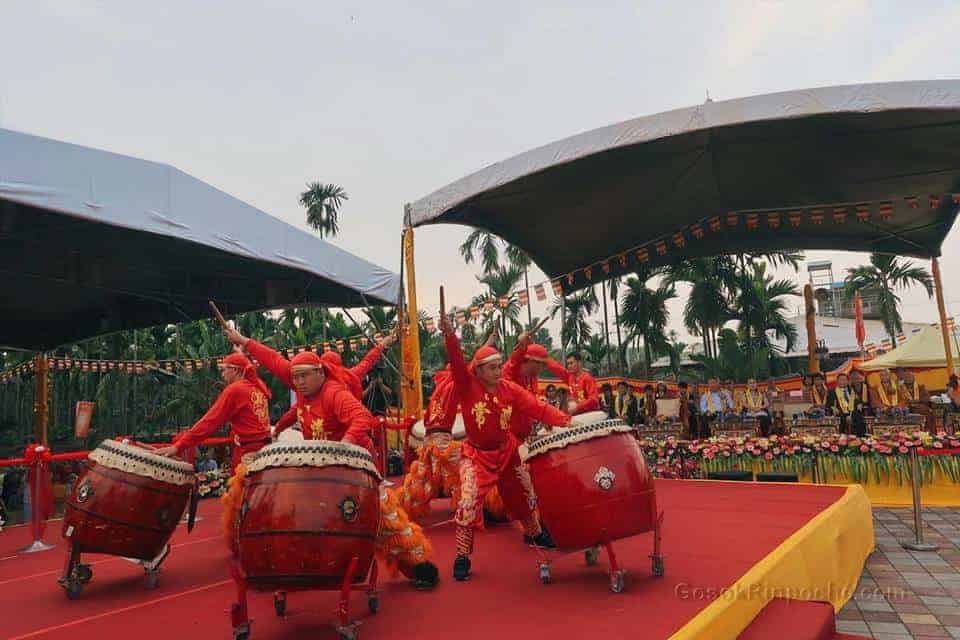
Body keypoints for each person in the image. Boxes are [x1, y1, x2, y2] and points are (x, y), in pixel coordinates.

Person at [226, 329, 440, 590]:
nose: (299, 382)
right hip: (321, 467)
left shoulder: (334, 393)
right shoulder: (302, 386)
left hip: (353, 466)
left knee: (386, 518)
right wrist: (244, 340)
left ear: (320, 372)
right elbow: (272, 360)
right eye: (295, 377)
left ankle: (419, 565)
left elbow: (362, 417)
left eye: (304, 376)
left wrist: (345, 444)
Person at [440, 313, 572, 582]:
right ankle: (462, 557)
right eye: (492, 367)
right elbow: (456, 363)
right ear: (478, 370)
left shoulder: (509, 388)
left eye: (499, 366)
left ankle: (535, 534)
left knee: (523, 495)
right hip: (476, 456)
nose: (498, 371)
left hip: (507, 451)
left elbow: (537, 407)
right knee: (467, 504)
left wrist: (566, 421)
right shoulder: (466, 386)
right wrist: (450, 336)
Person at [156, 352, 271, 470]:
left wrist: (178, 446)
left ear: (235, 370)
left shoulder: (235, 389)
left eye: (223, 369)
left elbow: (210, 422)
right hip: (265, 449)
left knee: (238, 487)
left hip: (248, 451)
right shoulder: (257, 385)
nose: (222, 374)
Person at [503, 333, 553, 439]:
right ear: (531, 361)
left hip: (524, 434)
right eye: (542, 364)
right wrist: (522, 345)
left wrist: (545, 417)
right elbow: (514, 361)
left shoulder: (532, 377)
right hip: (508, 436)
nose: (543, 368)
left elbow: (533, 403)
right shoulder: (510, 371)